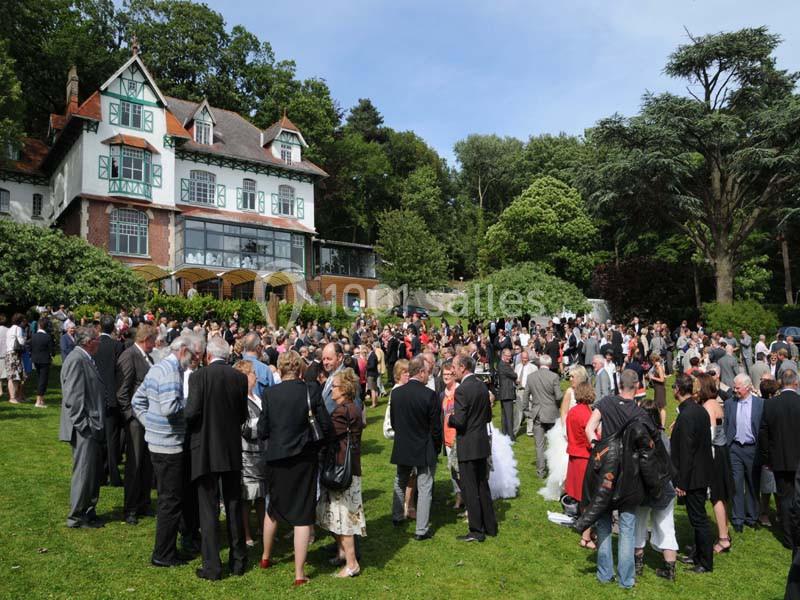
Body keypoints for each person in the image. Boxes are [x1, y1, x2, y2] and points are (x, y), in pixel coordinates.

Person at [258, 350, 332, 586]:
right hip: (304, 458)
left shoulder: (270, 394)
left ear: (279, 368)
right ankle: (299, 574)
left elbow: (262, 430)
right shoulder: (311, 390)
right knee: (302, 513)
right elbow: (325, 426)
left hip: (277, 457)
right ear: (300, 369)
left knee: (273, 508)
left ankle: (265, 556)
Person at [132, 333, 206, 568]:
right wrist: (192, 406)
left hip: (157, 442)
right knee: (170, 502)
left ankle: (168, 549)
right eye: (194, 356)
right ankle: (163, 554)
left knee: (170, 499)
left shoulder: (157, 368)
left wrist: (149, 425)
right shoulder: (172, 373)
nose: (194, 361)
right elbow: (170, 407)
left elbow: (137, 401)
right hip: (169, 447)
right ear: (183, 350)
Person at [185, 337, 248, 580]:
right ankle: (238, 560)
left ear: (208, 356)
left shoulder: (198, 377)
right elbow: (242, 414)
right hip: (230, 448)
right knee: (233, 504)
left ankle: (212, 565)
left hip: (205, 450)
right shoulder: (239, 378)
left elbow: (191, 412)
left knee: (208, 509)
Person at [583, 369, 648, 588]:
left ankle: (604, 574)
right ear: (637, 386)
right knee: (627, 526)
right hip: (630, 473)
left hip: (606, 470)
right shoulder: (640, 413)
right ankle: (626, 579)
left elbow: (589, 428)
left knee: (603, 523)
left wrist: (596, 446)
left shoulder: (606, 402)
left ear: (619, 384)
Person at [317, 368, 366, 578]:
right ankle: (343, 554)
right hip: (348, 466)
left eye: (334, 387)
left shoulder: (342, 411)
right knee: (336, 514)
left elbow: (328, 435)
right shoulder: (351, 408)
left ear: (344, 389)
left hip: (341, 469)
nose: (331, 391)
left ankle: (352, 563)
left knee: (344, 518)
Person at [389, 355, 442, 540]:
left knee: (400, 480)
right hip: (424, 447)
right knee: (425, 486)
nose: (429, 376)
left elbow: (395, 423)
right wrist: (436, 448)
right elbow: (436, 428)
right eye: (427, 372)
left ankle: (397, 516)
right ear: (420, 373)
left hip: (404, 445)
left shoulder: (396, 393)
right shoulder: (429, 395)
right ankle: (421, 529)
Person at [59, 326, 105, 528]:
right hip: (85, 427)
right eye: (97, 339)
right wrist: (84, 425)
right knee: (84, 472)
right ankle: (77, 516)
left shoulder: (84, 357)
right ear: (88, 341)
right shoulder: (77, 359)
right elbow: (73, 398)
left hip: (91, 424)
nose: (100, 343)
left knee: (92, 472)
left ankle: (88, 510)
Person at [449, 353, 497, 542]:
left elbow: (459, 421)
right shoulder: (480, 385)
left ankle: (476, 530)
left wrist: (449, 419)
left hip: (468, 445)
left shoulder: (462, 390)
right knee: (482, 485)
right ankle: (490, 526)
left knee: (470, 488)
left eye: (454, 366)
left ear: (463, 367)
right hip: (481, 442)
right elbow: (487, 417)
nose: (452, 370)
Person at [671, 373, 714, 574]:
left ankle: (705, 562)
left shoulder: (688, 414)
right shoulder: (697, 411)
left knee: (698, 519)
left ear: (678, 390)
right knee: (696, 517)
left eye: (673, 387)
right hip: (700, 471)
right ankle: (698, 555)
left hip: (694, 475)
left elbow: (687, 450)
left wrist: (682, 482)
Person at [634, 392, 679, 581]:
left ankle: (637, 565)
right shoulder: (664, 437)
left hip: (645, 487)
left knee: (639, 524)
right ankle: (669, 568)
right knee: (666, 526)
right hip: (663, 486)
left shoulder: (637, 435)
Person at [116, 323, 157, 525]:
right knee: (135, 462)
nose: (155, 343)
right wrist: (130, 416)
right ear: (145, 340)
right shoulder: (129, 355)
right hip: (135, 420)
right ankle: (130, 508)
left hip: (148, 419)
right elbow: (122, 391)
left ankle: (143, 502)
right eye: (153, 339)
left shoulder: (146, 357)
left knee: (147, 462)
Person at [759, 369, 800, 550]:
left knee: (784, 497)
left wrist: (767, 457)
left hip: (780, 458)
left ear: (781, 383)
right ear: (796, 383)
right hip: (795, 458)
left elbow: (764, 433)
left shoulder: (770, 404)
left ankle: (789, 536)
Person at [696, 373, 734, 554]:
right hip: (722, 450)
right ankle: (724, 532)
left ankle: (723, 538)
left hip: (714, 453)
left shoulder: (708, 406)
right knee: (722, 496)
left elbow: (709, 434)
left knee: (717, 497)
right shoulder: (716, 403)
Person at [234, 360, 268, 548]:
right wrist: (265, 424)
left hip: (261, 453)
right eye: (253, 372)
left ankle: (264, 529)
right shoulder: (240, 400)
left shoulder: (256, 396)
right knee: (247, 497)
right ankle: (246, 534)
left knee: (262, 495)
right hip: (247, 454)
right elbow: (245, 428)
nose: (256, 375)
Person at [725, 373, 763, 533]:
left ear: (747, 387)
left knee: (753, 483)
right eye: (734, 387)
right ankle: (738, 518)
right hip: (735, 448)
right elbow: (727, 425)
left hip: (752, 449)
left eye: (737, 387)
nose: (735, 390)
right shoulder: (729, 403)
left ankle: (752, 516)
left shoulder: (760, 404)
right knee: (736, 483)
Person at [565, 381, 596, 549]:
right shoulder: (586, 413)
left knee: (582, 498)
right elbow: (591, 436)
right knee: (589, 499)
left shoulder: (573, 411)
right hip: (585, 457)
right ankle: (586, 536)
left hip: (574, 456)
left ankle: (587, 531)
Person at [94, 316, 123, 487]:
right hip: (112, 395)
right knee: (112, 439)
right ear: (113, 328)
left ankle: (101, 473)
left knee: (100, 437)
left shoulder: (94, 345)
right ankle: (113, 473)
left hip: (97, 395)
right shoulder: (117, 346)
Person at [524, 354, 562, 480]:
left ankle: (540, 472)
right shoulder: (554, 376)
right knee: (553, 443)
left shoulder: (531, 377)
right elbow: (558, 396)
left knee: (539, 445)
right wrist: (558, 406)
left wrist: (526, 412)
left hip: (537, 414)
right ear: (550, 365)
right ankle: (553, 469)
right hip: (551, 413)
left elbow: (525, 396)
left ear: (540, 364)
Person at [30, 319, 54, 408]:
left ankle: (41, 399)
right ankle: (38, 401)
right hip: (44, 360)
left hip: (35, 359)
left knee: (40, 378)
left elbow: (29, 346)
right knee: (43, 380)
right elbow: (52, 350)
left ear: (39, 325)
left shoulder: (33, 336)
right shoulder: (47, 337)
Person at [496, 348, 518, 441]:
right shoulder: (504, 365)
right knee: (509, 415)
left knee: (505, 415)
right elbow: (514, 375)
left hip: (504, 392)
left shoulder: (502, 364)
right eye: (508, 356)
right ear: (503, 355)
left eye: (510, 356)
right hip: (507, 392)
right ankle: (511, 436)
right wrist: (513, 371)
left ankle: (505, 433)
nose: (510, 358)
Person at [513, 350, 536, 436]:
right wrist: (516, 381)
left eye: (526, 358)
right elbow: (514, 377)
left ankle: (530, 431)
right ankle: (515, 430)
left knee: (529, 410)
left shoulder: (533, 368)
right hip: (519, 390)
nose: (524, 360)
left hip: (528, 391)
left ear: (528, 358)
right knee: (518, 412)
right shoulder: (517, 366)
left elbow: (535, 381)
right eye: (523, 358)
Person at [5, 313, 26, 404]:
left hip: (8, 353)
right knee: (16, 376)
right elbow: (21, 342)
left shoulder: (9, 329)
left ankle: (13, 396)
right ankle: (13, 397)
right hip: (15, 354)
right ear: (20, 321)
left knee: (11, 376)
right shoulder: (18, 329)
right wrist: (25, 338)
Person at [648, 353, 667, 428]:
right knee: (658, 406)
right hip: (657, 388)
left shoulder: (659, 366)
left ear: (653, 360)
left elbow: (662, 379)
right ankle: (660, 422)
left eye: (651, 360)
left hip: (660, 388)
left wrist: (652, 377)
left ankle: (662, 424)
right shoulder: (656, 366)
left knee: (661, 407)